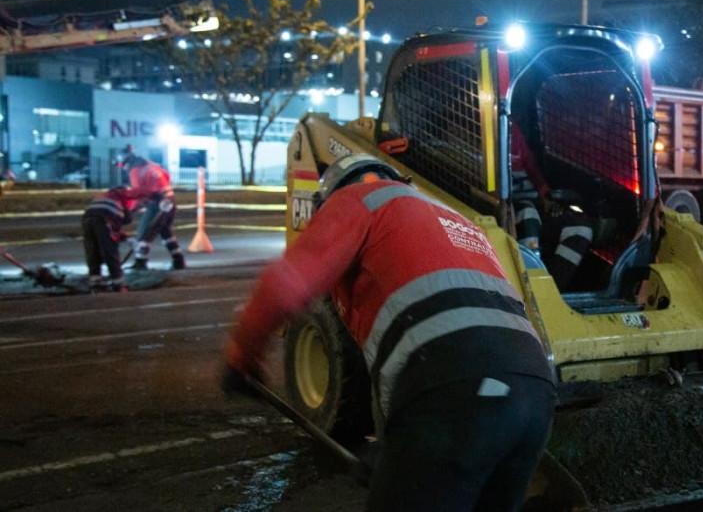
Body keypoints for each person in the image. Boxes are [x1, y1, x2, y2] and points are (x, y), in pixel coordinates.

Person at [223, 153, 555, 511]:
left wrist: (242, 355)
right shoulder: (458, 223)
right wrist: (393, 446)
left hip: (454, 384)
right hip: (534, 394)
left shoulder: (359, 200)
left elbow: (285, 284)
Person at [510, 124, 593, 290]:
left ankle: (552, 289)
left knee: (580, 229)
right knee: (528, 215)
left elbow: (532, 169)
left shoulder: (513, 130)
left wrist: (547, 198)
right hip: (508, 204)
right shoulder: (480, 128)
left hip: (533, 201)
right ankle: (531, 285)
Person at [120, 145, 185, 270]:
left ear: (126, 163)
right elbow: (166, 177)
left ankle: (141, 262)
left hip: (158, 202)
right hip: (170, 200)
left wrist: (130, 211)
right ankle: (178, 260)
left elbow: (138, 193)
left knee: (144, 231)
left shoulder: (135, 171)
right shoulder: (152, 165)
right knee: (165, 231)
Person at [82, 186, 137, 292]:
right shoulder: (122, 202)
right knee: (110, 250)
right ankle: (118, 283)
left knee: (92, 250)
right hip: (104, 217)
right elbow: (113, 232)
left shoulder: (105, 196)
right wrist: (127, 239)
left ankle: (95, 282)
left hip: (87, 218)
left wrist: (124, 237)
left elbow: (112, 229)